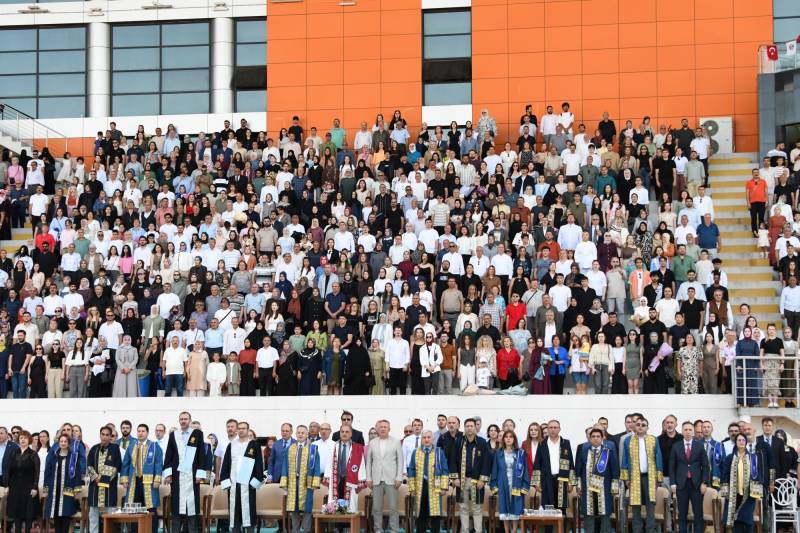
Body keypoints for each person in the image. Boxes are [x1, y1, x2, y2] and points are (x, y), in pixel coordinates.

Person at [163, 411, 209, 533]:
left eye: (185, 419)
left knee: (191, 508)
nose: (183, 421)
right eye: (181, 419)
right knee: (176, 506)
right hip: (177, 476)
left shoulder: (197, 434)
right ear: (179, 420)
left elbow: (201, 455)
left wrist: (200, 474)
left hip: (192, 475)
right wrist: (168, 474)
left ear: (190, 420)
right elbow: (169, 454)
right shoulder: (174, 435)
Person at [219, 421, 264, 533]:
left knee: (249, 511)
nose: (241, 430)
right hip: (233, 484)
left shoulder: (254, 445)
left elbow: (259, 464)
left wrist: (256, 482)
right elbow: (226, 464)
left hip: (248, 484)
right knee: (234, 512)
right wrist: (225, 481)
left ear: (248, 430)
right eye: (239, 428)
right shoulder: (231, 445)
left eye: (243, 428)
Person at [620, 417, 663, 533]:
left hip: (650, 478)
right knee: (635, 506)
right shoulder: (628, 440)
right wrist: (626, 479)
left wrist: (658, 479)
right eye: (638, 424)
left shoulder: (653, 439)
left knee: (650, 506)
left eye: (643, 425)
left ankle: (650, 530)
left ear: (647, 428)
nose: (640, 427)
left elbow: (658, 458)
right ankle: (637, 530)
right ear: (634, 426)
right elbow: (624, 460)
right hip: (634, 478)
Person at [531, 419, 575, 531]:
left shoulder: (566, 443)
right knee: (547, 509)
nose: (553, 429)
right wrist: (536, 483)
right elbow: (537, 464)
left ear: (559, 429)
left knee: (561, 509)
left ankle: (562, 531)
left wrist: (572, 482)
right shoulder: (542, 443)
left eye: (555, 427)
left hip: (562, 480)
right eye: (550, 427)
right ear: (547, 429)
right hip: (547, 480)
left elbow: (571, 463)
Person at [450, 418, 492, 533]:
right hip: (462, 481)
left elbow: (486, 462)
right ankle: (465, 531)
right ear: (464, 428)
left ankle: (478, 531)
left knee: (477, 508)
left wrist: (482, 480)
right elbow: (453, 460)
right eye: (467, 426)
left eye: (471, 426)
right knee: (463, 507)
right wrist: (455, 478)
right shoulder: (459, 442)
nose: (469, 428)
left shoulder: (482, 442)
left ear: (475, 427)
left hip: (477, 481)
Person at [120, 423, 163, 533]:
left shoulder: (154, 446)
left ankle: (151, 530)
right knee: (134, 508)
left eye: (143, 431)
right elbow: (125, 464)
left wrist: (157, 479)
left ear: (147, 433)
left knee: (150, 508)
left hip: (149, 482)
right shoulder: (131, 446)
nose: (140, 433)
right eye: (139, 431)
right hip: (134, 481)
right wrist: (124, 479)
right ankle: (134, 531)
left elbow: (159, 463)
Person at [575, 428, 619, 533]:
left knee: (605, 517)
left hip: (604, 490)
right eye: (593, 436)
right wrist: (578, 486)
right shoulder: (584, 450)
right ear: (589, 438)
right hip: (587, 489)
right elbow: (578, 470)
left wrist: (614, 487)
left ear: (602, 438)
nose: (595, 438)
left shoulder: (608, 451)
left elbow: (615, 469)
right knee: (589, 518)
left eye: (598, 436)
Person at [719, 434, 765, 533]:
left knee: (748, 520)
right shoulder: (730, 458)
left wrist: (758, 492)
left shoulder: (753, 458)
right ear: (736, 442)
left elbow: (759, 474)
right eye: (739, 440)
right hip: (734, 494)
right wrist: (725, 491)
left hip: (749, 494)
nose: (741, 442)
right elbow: (724, 475)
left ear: (746, 442)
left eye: (743, 440)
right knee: (737, 521)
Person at [669, 421, 709, 533]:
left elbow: (705, 466)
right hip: (681, 485)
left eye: (690, 430)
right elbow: (672, 466)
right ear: (682, 431)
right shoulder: (676, 446)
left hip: (696, 485)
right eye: (685, 430)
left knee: (698, 514)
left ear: (693, 432)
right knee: (682, 514)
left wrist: (704, 482)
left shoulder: (699, 446)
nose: (687, 432)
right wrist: (673, 483)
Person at [365, 419, 405, 533]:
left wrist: (399, 477)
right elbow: (369, 462)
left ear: (389, 429)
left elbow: (400, 461)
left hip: (392, 479)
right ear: (377, 429)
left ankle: (394, 529)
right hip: (376, 479)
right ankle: (378, 529)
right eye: (381, 427)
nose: (383, 429)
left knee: (393, 507)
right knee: (377, 508)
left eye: (385, 427)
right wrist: (369, 478)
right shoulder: (372, 443)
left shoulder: (396, 442)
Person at [281, 424, 321, 533]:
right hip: (293, 482)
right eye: (298, 432)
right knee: (294, 508)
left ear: (307, 434)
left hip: (306, 483)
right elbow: (285, 465)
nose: (300, 434)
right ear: (295, 434)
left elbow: (317, 466)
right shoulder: (290, 448)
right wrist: (284, 482)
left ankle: (307, 530)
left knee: (307, 508)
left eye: (303, 433)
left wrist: (315, 483)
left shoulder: (313, 449)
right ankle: (295, 530)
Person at [407, 430, 449, 533]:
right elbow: (411, 469)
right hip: (420, 486)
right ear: (421, 439)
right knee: (420, 513)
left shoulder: (439, 452)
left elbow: (445, 470)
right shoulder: (416, 452)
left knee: (435, 514)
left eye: (429, 437)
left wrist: (444, 487)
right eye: (424, 437)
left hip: (435, 486)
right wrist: (412, 488)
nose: (426, 439)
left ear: (433, 439)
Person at [43, 433, 84, 533]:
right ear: (58, 443)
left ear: (68, 443)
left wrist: (76, 488)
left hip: (67, 490)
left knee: (65, 515)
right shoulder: (53, 456)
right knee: (56, 514)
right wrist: (46, 488)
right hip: (54, 490)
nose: (63, 443)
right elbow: (47, 473)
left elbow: (77, 473)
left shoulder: (73, 457)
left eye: (65, 441)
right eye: (61, 441)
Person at [490, 430, 529, 533]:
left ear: (514, 439)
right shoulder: (498, 453)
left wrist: (524, 486)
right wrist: (494, 485)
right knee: (504, 508)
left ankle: (515, 531)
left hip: (516, 483)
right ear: (503, 439)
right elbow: (494, 470)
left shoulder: (520, 453)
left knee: (516, 508)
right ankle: (507, 531)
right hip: (503, 483)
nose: (508, 439)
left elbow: (525, 470)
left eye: (510, 437)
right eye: (506, 437)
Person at [86, 425, 123, 533]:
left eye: (107, 435)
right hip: (95, 487)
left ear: (110, 436)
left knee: (110, 515)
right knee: (93, 515)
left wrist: (103, 479)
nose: (105, 437)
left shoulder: (115, 449)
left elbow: (117, 466)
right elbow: (89, 465)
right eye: (103, 434)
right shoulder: (94, 449)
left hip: (109, 487)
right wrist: (95, 477)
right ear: (100, 435)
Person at [323, 424, 366, 513]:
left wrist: (360, 481)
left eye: (347, 432)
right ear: (339, 433)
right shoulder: (333, 446)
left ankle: (349, 522)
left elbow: (361, 464)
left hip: (351, 481)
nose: (344, 433)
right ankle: (337, 522)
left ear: (351, 434)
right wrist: (327, 478)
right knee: (335, 505)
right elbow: (328, 463)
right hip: (336, 479)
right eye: (342, 431)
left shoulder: (357, 448)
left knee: (350, 507)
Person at [6, 430, 40, 533]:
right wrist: (7, 485)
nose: (23, 440)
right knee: (17, 512)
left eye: (25, 438)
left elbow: (37, 472)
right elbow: (8, 470)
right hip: (15, 487)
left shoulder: (33, 454)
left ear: (29, 440)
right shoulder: (13, 453)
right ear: (18, 440)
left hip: (29, 487)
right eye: (21, 438)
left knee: (28, 513)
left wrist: (35, 487)